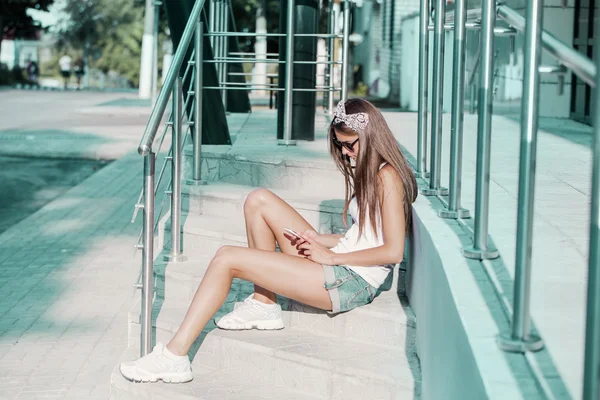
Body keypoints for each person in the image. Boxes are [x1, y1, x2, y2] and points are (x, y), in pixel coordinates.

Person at [120, 98, 418, 383]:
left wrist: (332, 258)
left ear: (370, 136)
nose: (345, 153)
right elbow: (365, 236)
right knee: (258, 200)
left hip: (349, 281)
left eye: (349, 145)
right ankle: (264, 303)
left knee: (227, 258)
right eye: (340, 146)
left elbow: (392, 251)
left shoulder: (387, 176)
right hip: (339, 263)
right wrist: (319, 239)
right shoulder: (373, 172)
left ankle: (174, 357)